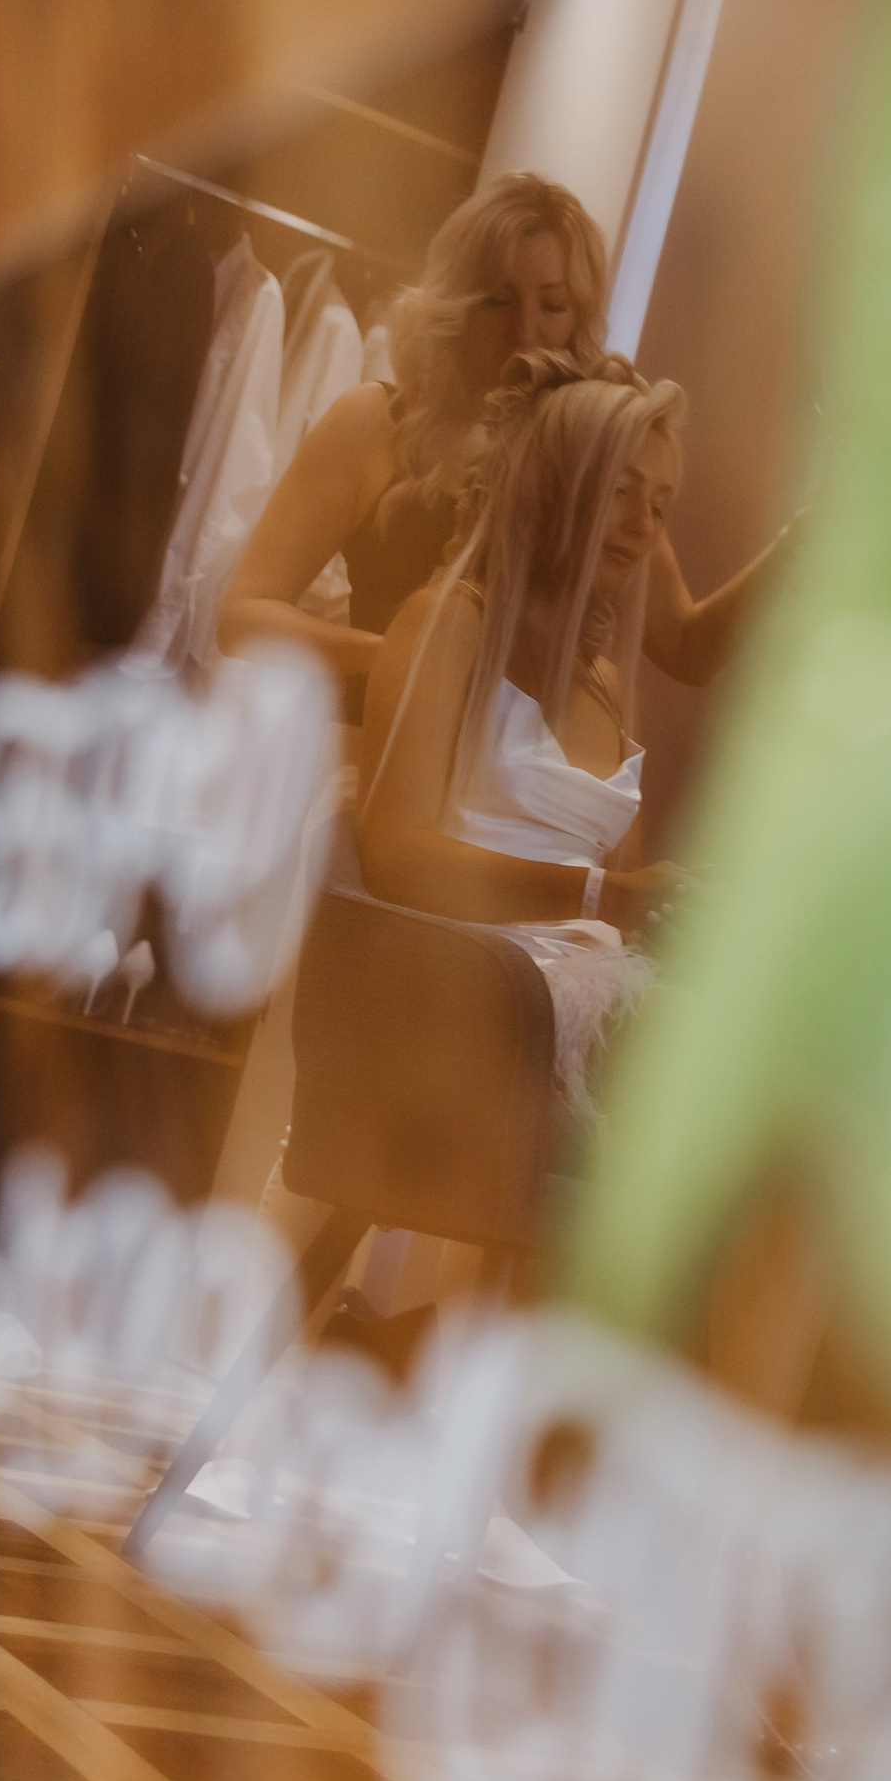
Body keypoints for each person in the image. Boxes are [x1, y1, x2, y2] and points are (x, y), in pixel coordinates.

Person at [219, 168, 781, 697]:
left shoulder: (591, 453)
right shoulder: (375, 423)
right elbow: (243, 617)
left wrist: (799, 543)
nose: (523, 330)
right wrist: (400, 653)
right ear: (457, 302)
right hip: (367, 747)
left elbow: (685, 647)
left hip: (509, 766)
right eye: (497, 300)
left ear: (579, 317)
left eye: (552, 305)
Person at [358, 350, 689, 1108]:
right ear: (556, 485)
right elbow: (393, 856)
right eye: (620, 492)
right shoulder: (448, 625)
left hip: (587, 993)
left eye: (660, 505)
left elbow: (625, 896)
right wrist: (607, 896)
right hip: (466, 988)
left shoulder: (606, 686)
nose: (641, 526)